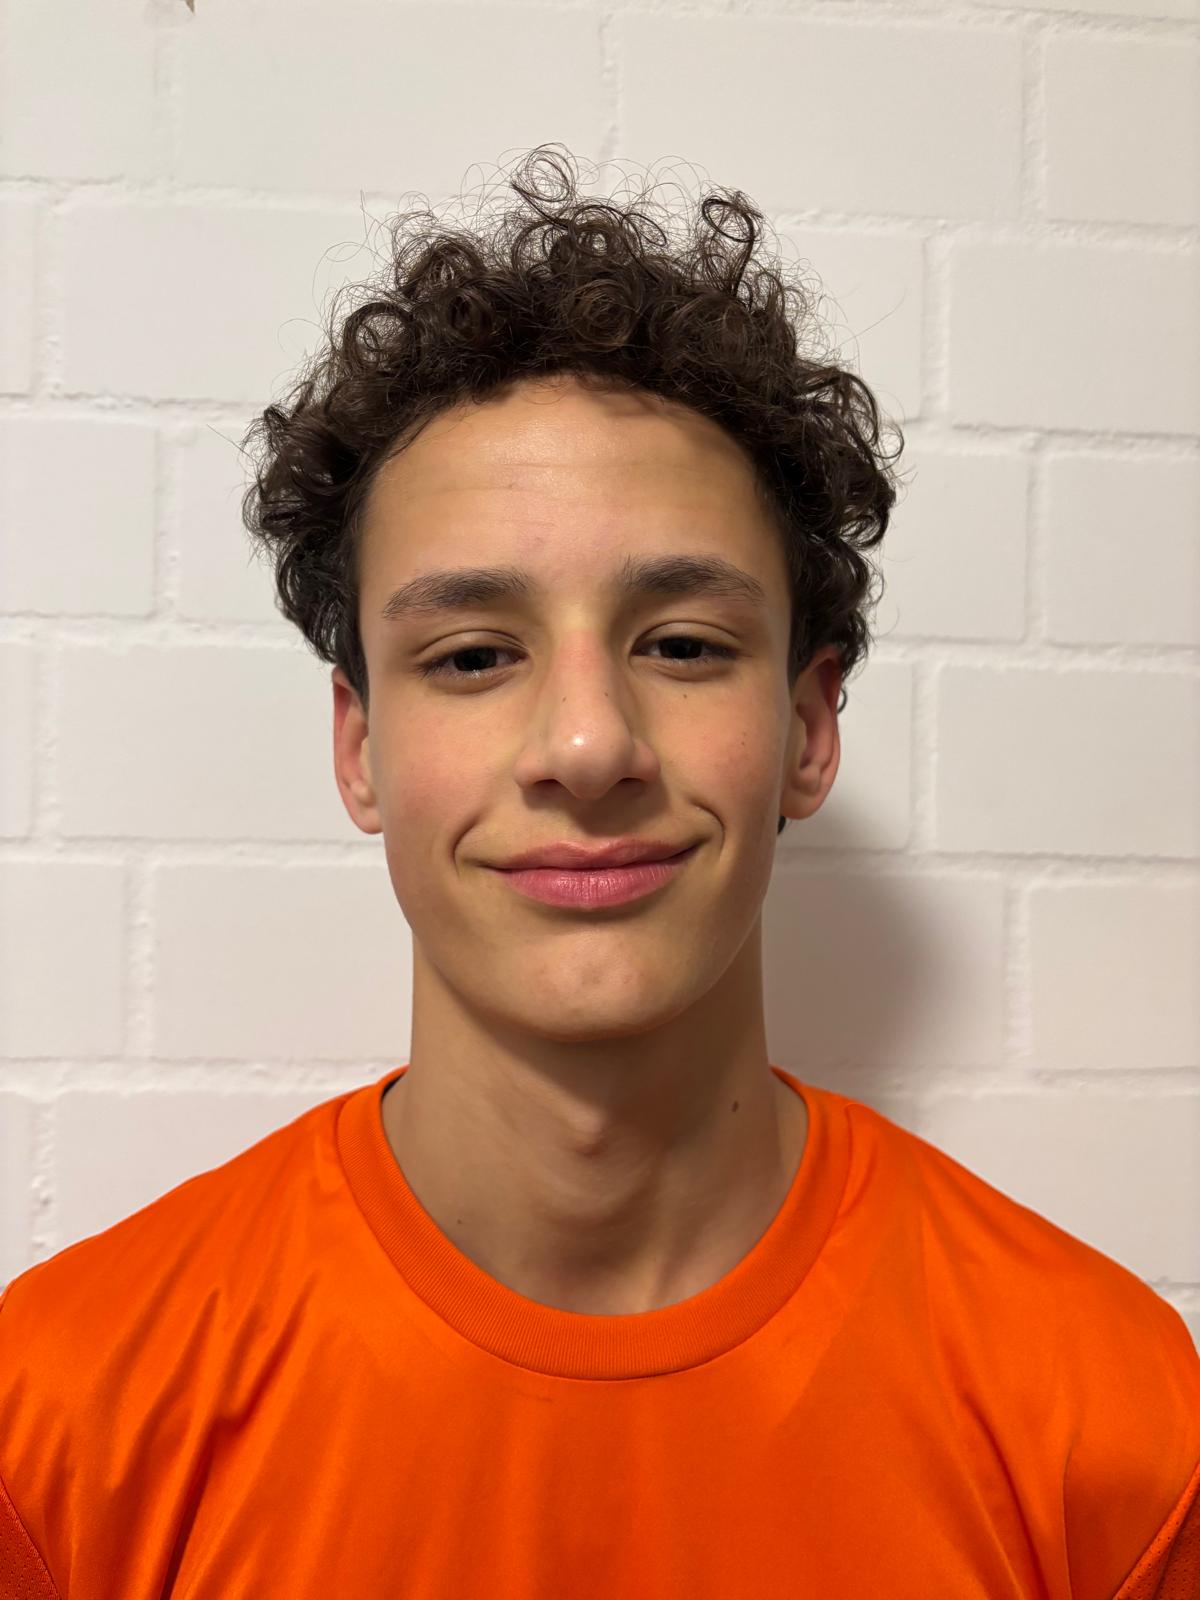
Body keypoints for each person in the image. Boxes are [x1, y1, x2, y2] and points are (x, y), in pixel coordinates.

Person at [1, 144, 1196, 1598]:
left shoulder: (1114, 1428)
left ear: (809, 730)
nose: (585, 744)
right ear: (361, 747)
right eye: (473, 657)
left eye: (683, 644)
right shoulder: (60, 1429)